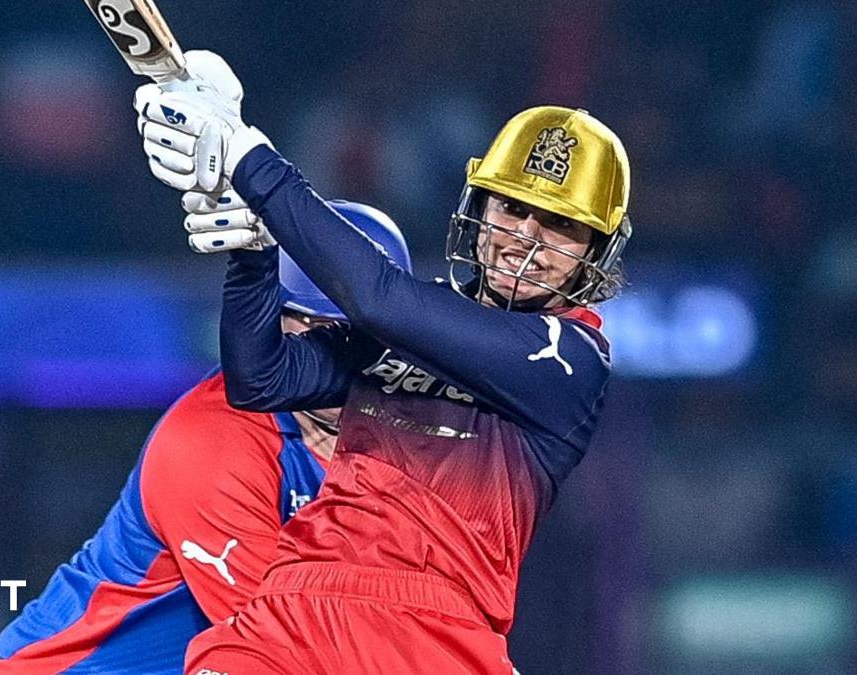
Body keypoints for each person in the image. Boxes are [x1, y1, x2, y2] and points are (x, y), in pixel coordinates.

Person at [132, 51, 631, 673]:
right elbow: (262, 379)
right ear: (478, 214)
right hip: (291, 613)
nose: (525, 237)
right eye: (512, 208)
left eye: (560, 225)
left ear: (597, 250)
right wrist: (254, 255)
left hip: (437, 637)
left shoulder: (570, 361)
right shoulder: (422, 323)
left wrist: (248, 159)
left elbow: (375, 297)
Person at [0, 201, 412, 674]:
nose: (337, 352)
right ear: (272, 322)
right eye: (313, 325)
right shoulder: (213, 439)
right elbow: (286, 651)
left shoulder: (415, 435)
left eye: (359, 331)